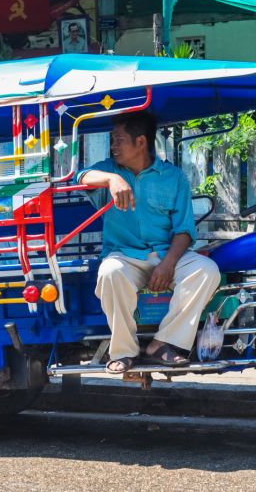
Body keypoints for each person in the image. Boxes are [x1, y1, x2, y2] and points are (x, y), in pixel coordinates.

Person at [78, 111, 220, 373]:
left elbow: (184, 231)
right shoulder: (109, 169)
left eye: (118, 140)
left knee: (206, 271)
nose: (113, 146)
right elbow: (81, 177)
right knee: (110, 272)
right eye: (112, 140)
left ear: (141, 142)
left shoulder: (174, 177)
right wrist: (111, 179)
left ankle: (163, 343)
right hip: (124, 256)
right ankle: (123, 351)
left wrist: (168, 264)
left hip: (167, 255)